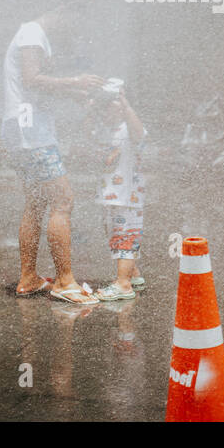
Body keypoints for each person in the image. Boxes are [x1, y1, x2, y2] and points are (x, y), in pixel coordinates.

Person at [2, 0, 104, 305]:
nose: (76, 30)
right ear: (65, 12)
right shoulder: (32, 33)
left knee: (36, 202)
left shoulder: (32, 35)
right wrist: (75, 82)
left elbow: (36, 87)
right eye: (76, 21)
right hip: (31, 133)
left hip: (20, 130)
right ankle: (65, 281)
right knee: (63, 200)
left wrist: (79, 95)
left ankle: (29, 278)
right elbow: (32, 80)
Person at [91, 85, 147, 301]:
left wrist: (125, 105)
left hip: (128, 196)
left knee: (126, 236)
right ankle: (132, 274)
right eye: (106, 108)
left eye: (113, 107)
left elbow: (139, 134)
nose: (108, 112)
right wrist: (92, 106)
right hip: (110, 196)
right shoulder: (105, 129)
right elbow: (87, 131)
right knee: (115, 235)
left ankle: (123, 284)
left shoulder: (129, 128)